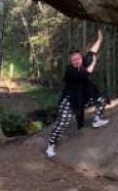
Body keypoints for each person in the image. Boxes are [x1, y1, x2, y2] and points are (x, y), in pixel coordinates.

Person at [46, 29, 110, 158]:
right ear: (71, 61)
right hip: (70, 100)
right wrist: (94, 63)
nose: (77, 61)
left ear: (81, 58)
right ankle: (51, 145)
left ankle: (98, 119)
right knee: (63, 122)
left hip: (83, 96)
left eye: (78, 59)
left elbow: (92, 51)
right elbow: (87, 73)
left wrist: (99, 40)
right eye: (74, 60)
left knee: (101, 98)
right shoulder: (70, 71)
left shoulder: (83, 61)